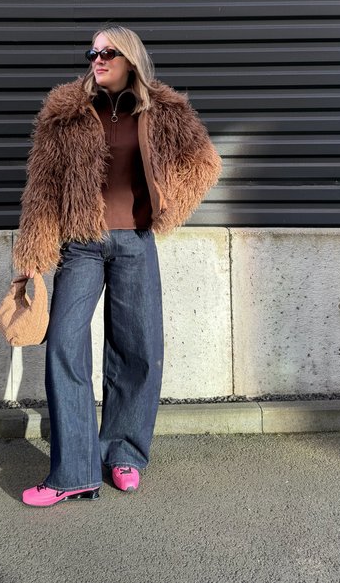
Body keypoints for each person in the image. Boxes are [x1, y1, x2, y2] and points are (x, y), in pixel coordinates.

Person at [13, 25, 221, 507]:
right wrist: (30, 258)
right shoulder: (65, 113)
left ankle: (123, 453)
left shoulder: (164, 110)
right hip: (80, 245)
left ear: (130, 58)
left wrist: (165, 209)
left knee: (138, 349)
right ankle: (74, 472)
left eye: (108, 52)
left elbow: (205, 163)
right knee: (64, 345)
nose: (98, 58)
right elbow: (41, 188)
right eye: (93, 51)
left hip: (135, 242)